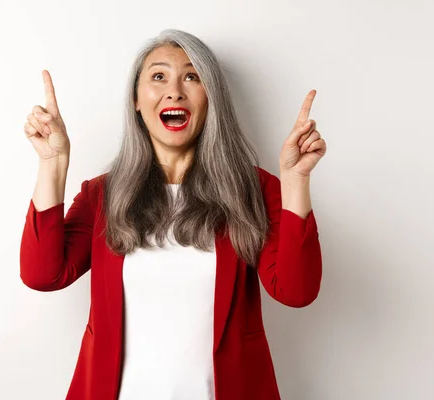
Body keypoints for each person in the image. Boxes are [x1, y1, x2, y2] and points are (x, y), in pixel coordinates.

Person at [20, 29, 326, 400]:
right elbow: (42, 274)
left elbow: (296, 290)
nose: (175, 91)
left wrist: (295, 181)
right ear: (136, 99)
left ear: (211, 98)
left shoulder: (253, 190)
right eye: (159, 76)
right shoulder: (104, 195)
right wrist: (53, 165)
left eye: (192, 76)